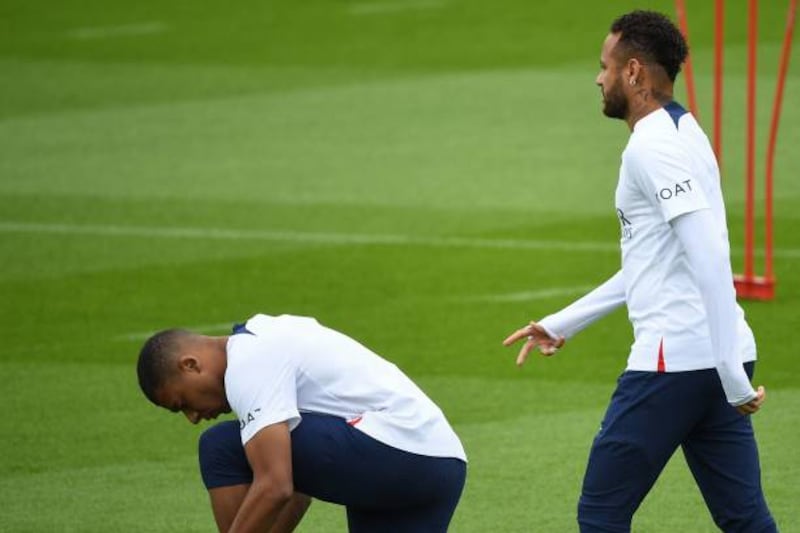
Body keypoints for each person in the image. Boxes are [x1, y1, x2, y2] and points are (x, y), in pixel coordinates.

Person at [503, 10, 777, 533]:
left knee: (601, 515)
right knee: (744, 519)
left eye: (605, 66)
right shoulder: (685, 130)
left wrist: (728, 374)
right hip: (719, 358)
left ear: (634, 73)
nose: (598, 78)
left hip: (675, 364)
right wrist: (564, 322)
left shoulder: (652, 149)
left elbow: (711, 256)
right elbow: (652, 262)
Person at [137, 313, 467, 533]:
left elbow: (276, 485)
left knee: (220, 445)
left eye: (182, 403)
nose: (193, 417)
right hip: (441, 463)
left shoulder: (247, 363)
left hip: (395, 452)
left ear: (191, 365)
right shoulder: (267, 334)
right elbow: (297, 488)